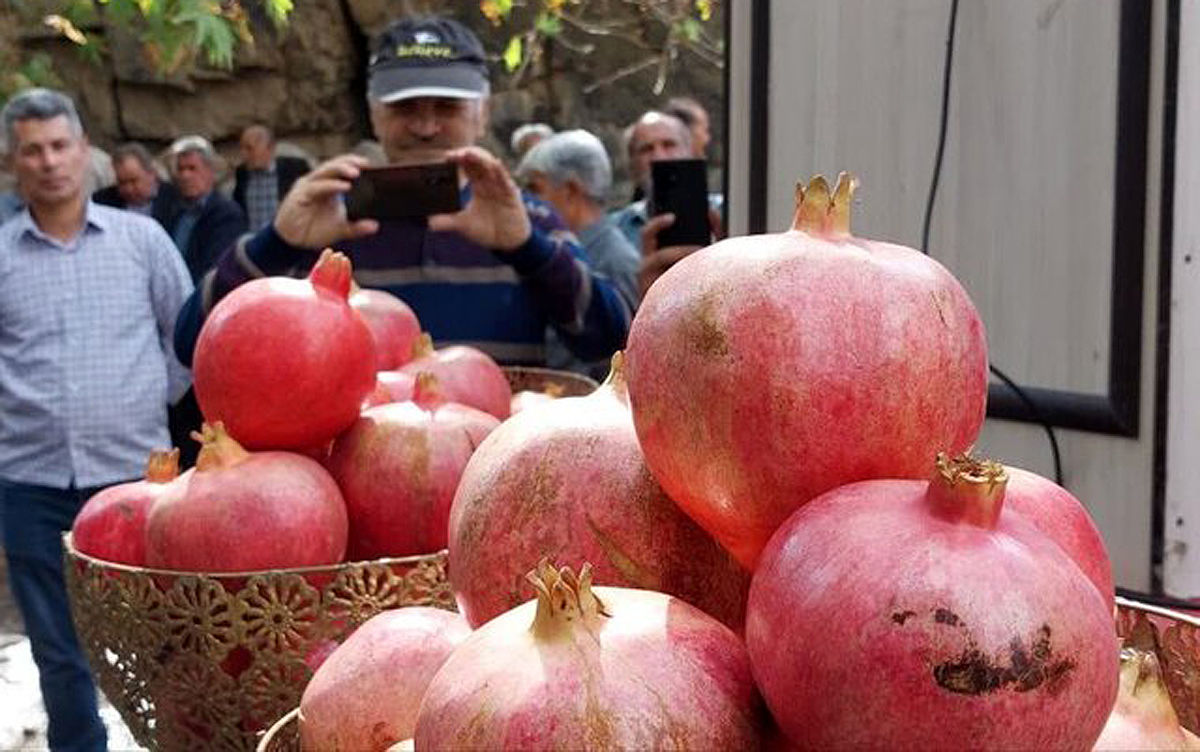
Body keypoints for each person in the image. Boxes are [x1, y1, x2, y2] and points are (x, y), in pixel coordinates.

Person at [173, 16, 631, 370]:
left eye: (447, 107)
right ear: (374, 115)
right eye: (404, 108)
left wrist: (527, 248)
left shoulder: (529, 220)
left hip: (495, 476)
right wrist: (277, 243)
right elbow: (194, 342)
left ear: (483, 114)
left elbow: (612, 345)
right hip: (357, 481)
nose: (426, 127)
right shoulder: (329, 224)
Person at [0, 88, 193, 752]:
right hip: (30, 483)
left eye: (60, 145)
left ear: (85, 153)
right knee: (58, 653)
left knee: (163, 644)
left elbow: (188, 338)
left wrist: (146, 398)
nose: (49, 162)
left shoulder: (142, 241)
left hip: (136, 482)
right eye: (33, 150)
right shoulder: (0, 257)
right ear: (11, 162)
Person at [517, 129, 641, 378]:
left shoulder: (616, 260)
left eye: (535, 188)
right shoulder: (559, 254)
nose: (527, 201)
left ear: (570, 190)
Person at [165, 135, 248, 282]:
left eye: (192, 168)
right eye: (180, 169)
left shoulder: (227, 215)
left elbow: (216, 267)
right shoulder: (172, 212)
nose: (185, 175)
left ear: (209, 171)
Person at [232, 124, 311, 231]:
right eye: (242, 148)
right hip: (255, 241)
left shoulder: (294, 169)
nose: (244, 155)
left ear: (270, 148)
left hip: (287, 239)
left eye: (249, 148)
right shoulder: (242, 174)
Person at [93, 142, 182, 230]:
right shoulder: (102, 202)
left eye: (133, 181)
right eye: (122, 183)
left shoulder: (176, 200)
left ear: (152, 174)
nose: (128, 189)